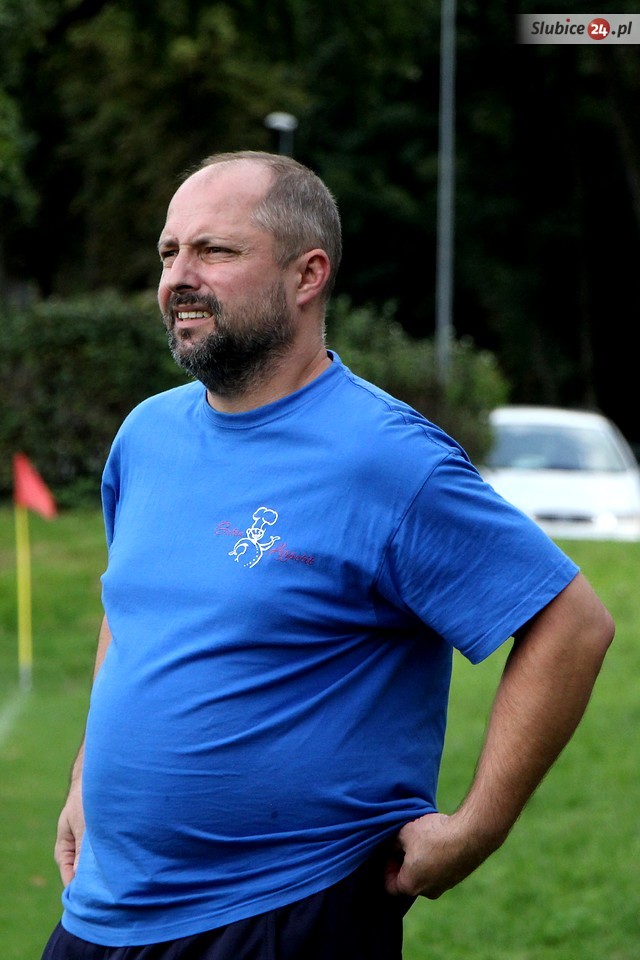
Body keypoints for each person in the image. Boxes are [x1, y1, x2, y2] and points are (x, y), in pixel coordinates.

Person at [41, 150, 614, 960]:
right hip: (102, 910)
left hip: (282, 914)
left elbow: (572, 624)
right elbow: (134, 613)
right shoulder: (146, 435)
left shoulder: (387, 461)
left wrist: (475, 830)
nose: (178, 278)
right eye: (169, 253)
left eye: (214, 250)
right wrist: (84, 776)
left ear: (307, 274)